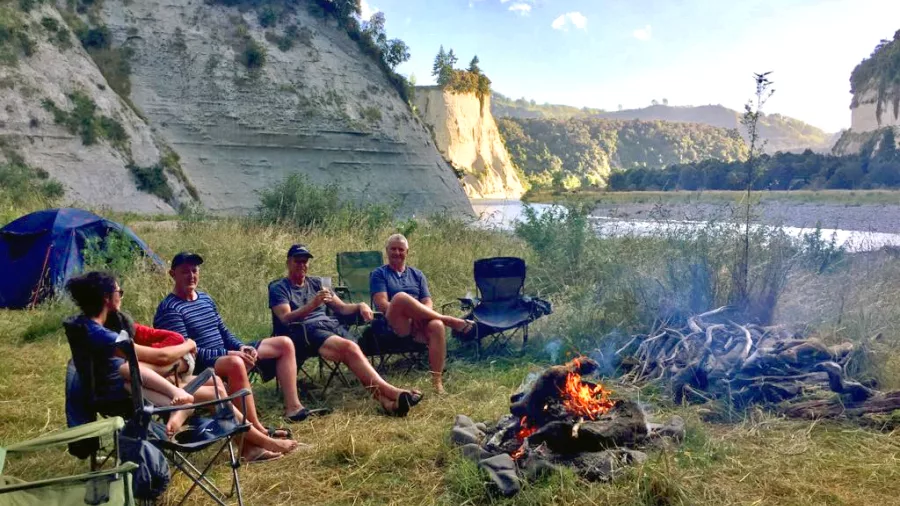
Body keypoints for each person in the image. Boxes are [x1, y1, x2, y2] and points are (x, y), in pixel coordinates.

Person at [67, 272, 293, 462]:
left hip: (139, 382)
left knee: (215, 385)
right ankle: (262, 442)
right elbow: (161, 356)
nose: (121, 297)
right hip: (125, 392)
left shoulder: (97, 325)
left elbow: (152, 345)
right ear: (107, 298)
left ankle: (249, 447)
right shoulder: (99, 333)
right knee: (215, 394)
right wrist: (187, 345)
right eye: (119, 292)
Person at [153, 252, 310, 424]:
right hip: (200, 365)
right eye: (185, 271)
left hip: (224, 353)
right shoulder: (170, 309)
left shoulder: (205, 298)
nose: (191, 276)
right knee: (235, 362)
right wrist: (230, 353)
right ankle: (253, 426)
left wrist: (241, 347)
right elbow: (188, 354)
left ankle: (293, 407)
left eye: (194, 270)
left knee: (284, 343)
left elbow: (223, 331)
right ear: (172, 274)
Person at [269, 244, 423, 415]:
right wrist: (313, 305)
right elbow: (285, 318)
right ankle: (394, 392)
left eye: (305, 261)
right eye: (298, 261)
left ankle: (388, 403)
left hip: (330, 326)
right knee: (349, 348)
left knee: (353, 351)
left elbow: (342, 308)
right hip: (305, 331)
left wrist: (360, 305)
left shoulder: (317, 283)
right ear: (288, 263)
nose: (302, 265)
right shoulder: (280, 288)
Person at [370, 234, 473, 395]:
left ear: (407, 252)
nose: (397, 252)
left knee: (437, 325)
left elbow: (427, 302)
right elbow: (382, 304)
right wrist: (411, 313)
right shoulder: (379, 273)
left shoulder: (417, 275)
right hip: (394, 323)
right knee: (400, 297)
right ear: (386, 251)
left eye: (401, 249)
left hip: (418, 325)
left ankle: (437, 382)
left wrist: (419, 315)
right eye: (393, 249)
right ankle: (450, 320)